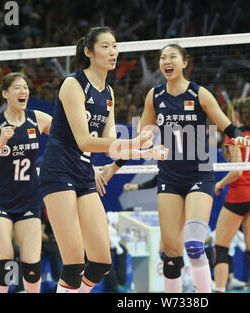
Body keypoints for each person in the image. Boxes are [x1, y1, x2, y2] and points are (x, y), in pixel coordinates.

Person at [97, 44, 250, 293]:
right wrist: (114, 166)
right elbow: (140, 141)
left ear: (184, 63)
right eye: (162, 58)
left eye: (172, 57)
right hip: (169, 176)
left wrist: (239, 137)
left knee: (193, 244)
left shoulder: (199, 94)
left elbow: (226, 125)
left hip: (199, 174)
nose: (166, 61)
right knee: (170, 253)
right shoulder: (154, 96)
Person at [38, 26, 165, 293]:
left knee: (100, 264)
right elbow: (85, 141)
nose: (113, 52)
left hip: (84, 174)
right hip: (58, 171)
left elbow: (110, 148)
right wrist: (132, 142)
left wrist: (144, 152)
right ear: (89, 51)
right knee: (73, 265)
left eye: (115, 46)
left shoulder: (107, 92)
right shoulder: (73, 83)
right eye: (105, 46)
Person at [0, 72, 53, 293]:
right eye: (17, 88)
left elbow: (67, 136)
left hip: (28, 200)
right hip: (0, 201)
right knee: (7, 266)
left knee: (32, 268)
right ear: (6, 94)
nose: (23, 91)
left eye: (25, 87)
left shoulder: (37, 118)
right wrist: (0, 142)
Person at [214, 97, 250, 293]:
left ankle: (220, 290)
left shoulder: (234, 136)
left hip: (239, 195)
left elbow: (237, 171)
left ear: (237, 115)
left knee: (221, 247)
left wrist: (220, 184)